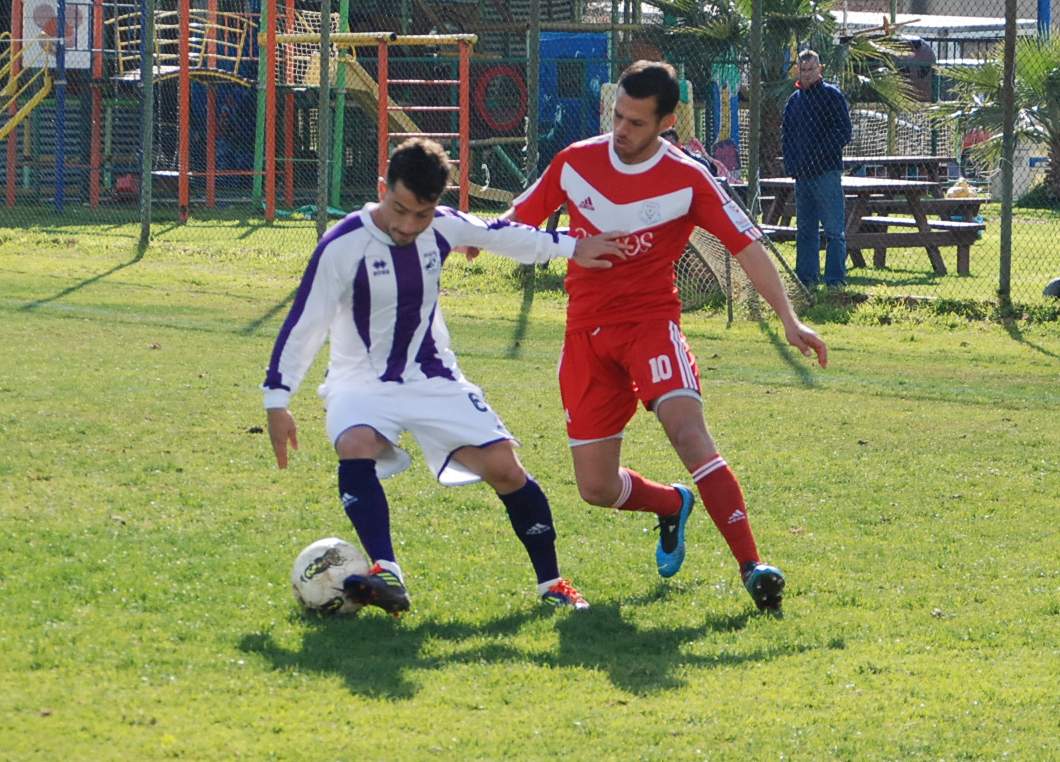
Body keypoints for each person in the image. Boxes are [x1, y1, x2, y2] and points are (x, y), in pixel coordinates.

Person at [503, 60, 828, 614]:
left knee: (687, 432)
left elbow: (748, 246)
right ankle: (671, 504)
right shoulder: (574, 162)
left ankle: (753, 567)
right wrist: (464, 240)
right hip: (585, 335)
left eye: (634, 122)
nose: (620, 130)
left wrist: (789, 320)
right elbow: (518, 220)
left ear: (667, 121)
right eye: (617, 116)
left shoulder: (689, 177)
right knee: (597, 489)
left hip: (651, 325)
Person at [263, 138, 628, 616]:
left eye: (422, 213)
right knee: (355, 444)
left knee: (505, 469)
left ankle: (552, 584)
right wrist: (277, 399)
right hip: (360, 382)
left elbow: (504, 234)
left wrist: (575, 247)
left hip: (433, 377)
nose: (408, 225)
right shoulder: (343, 244)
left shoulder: (442, 227)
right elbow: (304, 323)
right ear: (382, 189)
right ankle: (386, 571)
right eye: (400, 209)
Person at [782, 49, 853, 288]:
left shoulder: (832, 96)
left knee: (834, 230)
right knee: (805, 230)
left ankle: (834, 281)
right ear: (798, 71)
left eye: (811, 69)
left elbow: (843, 131)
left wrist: (819, 156)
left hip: (826, 172)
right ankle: (806, 279)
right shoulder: (795, 101)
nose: (808, 74)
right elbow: (787, 136)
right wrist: (792, 164)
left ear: (819, 69)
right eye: (803, 70)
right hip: (802, 175)